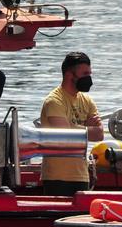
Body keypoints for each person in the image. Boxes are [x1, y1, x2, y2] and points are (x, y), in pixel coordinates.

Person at [39, 52, 103, 196]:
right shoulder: (54, 101)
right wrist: (87, 127)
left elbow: (99, 134)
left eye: (90, 73)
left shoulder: (87, 100)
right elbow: (65, 136)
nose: (89, 78)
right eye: (85, 73)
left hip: (81, 175)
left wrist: (77, 129)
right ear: (69, 75)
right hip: (57, 177)